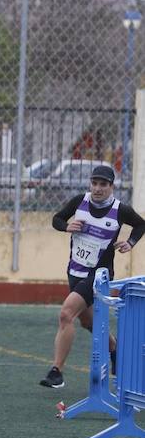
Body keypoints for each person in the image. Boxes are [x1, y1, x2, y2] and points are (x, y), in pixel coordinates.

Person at [40, 164, 145, 388]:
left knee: (66, 314)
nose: (98, 188)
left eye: (103, 185)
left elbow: (140, 224)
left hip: (98, 275)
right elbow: (57, 219)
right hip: (75, 271)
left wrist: (130, 243)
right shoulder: (80, 201)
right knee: (88, 321)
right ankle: (115, 350)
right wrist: (67, 227)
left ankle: (56, 372)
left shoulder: (120, 209)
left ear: (111, 187)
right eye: (94, 183)